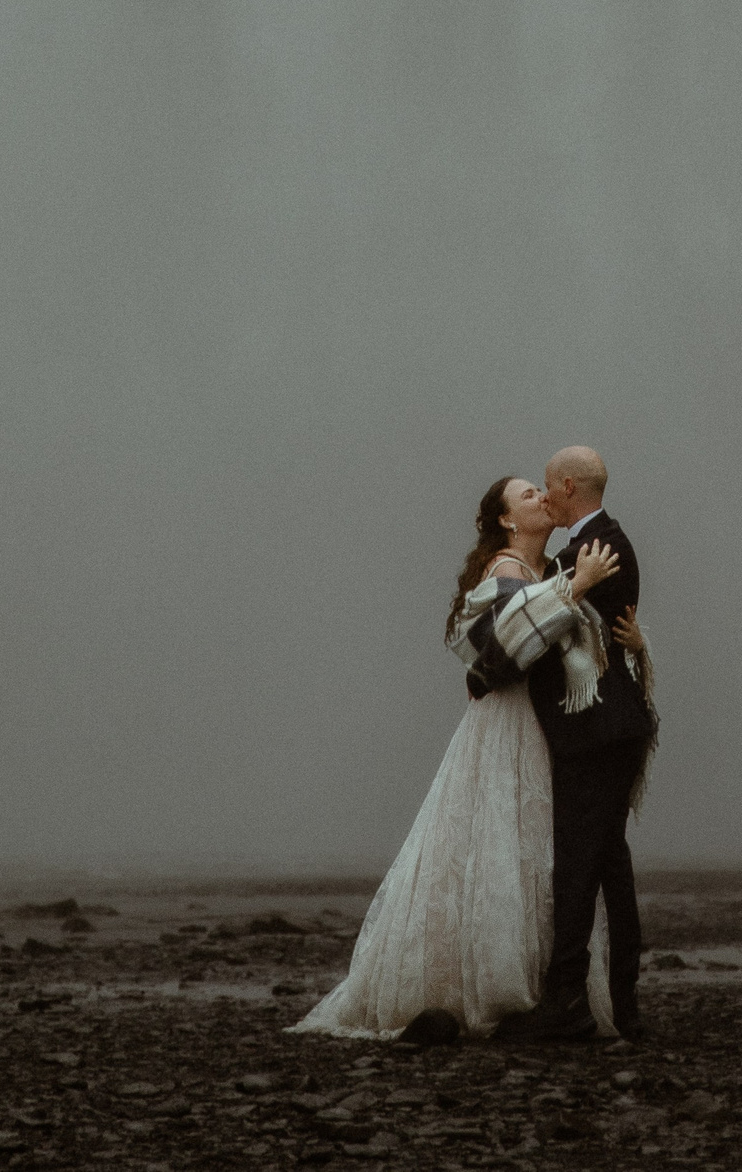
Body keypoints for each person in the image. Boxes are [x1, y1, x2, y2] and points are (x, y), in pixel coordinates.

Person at [286, 474, 628, 1040]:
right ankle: (492, 988)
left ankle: (548, 989)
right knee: (499, 840)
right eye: (527, 495)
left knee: (536, 847)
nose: (542, 497)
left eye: (542, 491)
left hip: (543, 726)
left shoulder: (547, 572)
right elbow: (509, 647)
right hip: (509, 725)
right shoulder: (505, 571)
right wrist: (573, 591)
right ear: (506, 520)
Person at [489, 445, 656, 1042]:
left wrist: (487, 668)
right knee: (607, 861)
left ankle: (567, 1002)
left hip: (597, 732)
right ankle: (620, 1004)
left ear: (565, 487)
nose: (543, 494)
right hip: (610, 731)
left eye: (546, 486)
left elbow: (544, 621)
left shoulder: (596, 549)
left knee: (581, 864)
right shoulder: (589, 546)